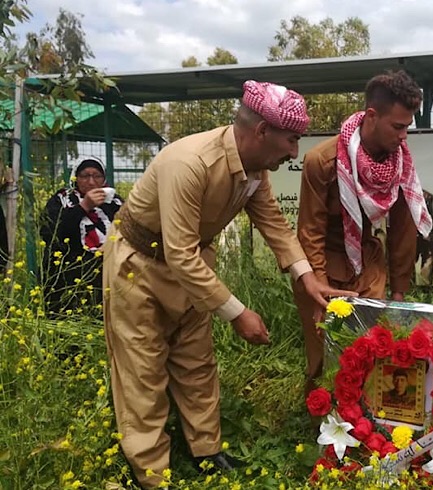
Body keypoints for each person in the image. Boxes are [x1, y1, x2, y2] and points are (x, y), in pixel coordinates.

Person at [102, 81, 354, 489]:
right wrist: (238, 313)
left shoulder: (254, 171)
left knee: (196, 362)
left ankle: (206, 451)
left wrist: (308, 279)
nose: (295, 152)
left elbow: (274, 224)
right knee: (143, 371)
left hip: (192, 270)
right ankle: (152, 474)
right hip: (140, 268)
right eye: (291, 140)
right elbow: (179, 253)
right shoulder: (190, 163)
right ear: (262, 131)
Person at [295, 70, 432, 389]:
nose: (404, 136)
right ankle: (321, 414)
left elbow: (403, 229)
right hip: (322, 266)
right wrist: (319, 290)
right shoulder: (322, 161)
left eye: (407, 127)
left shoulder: (400, 164)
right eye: (397, 126)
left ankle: (366, 415)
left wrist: (398, 292)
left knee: (370, 351)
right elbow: (310, 232)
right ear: (372, 116)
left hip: (368, 265)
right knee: (324, 356)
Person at [40, 156, 122, 317]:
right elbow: (51, 233)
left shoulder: (115, 202)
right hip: (69, 275)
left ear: (104, 179)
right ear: (75, 178)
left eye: (97, 176)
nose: (91, 182)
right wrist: (84, 206)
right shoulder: (61, 200)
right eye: (85, 176)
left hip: (107, 272)